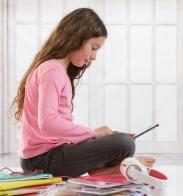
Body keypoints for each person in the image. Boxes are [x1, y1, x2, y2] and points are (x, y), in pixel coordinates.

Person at [11, 8, 155, 178]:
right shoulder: (52, 70)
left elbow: (55, 127)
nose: (94, 57)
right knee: (124, 144)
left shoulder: (56, 69)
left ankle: (111, 167)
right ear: (76, 37)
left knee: (120, 140)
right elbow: (48, 122)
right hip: (42, 161)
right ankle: (122, 166)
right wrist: (93, 133)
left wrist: (99, 137)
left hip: (47, 156)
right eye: (93, 48)